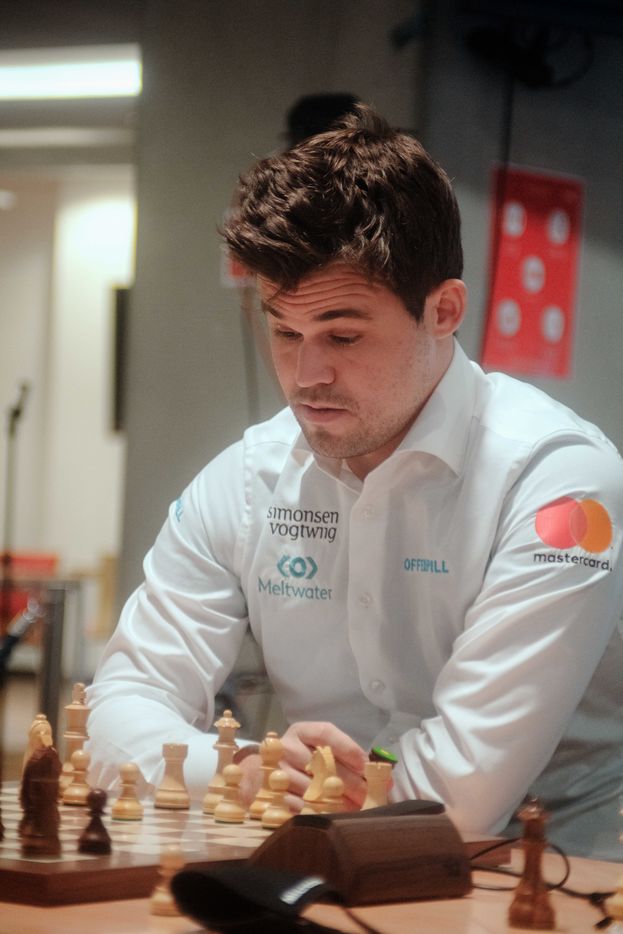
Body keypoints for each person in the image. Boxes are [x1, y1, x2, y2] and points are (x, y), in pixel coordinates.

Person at [87, 104, 623, 860]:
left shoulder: (557, 483)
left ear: (443, 310)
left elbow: (462, 797)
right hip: (320, 848)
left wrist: (295, 786)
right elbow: (118, 709)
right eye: (284, 331)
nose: (306, 376)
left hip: (563, 863)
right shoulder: (247, 479)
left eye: (342, 335)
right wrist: (244, 771)